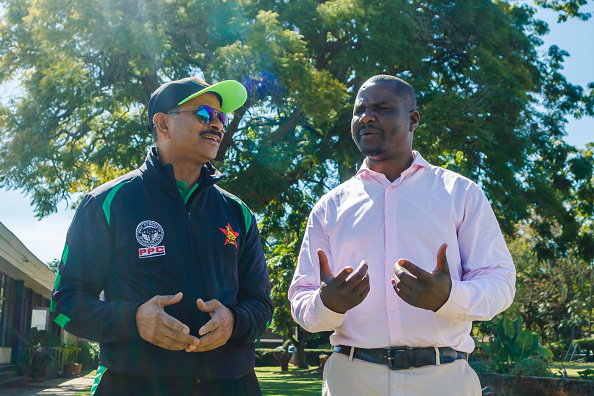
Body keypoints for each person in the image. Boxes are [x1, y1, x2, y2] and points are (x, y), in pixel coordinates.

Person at [288, 75, 516, 395]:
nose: (366, 116)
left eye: (381, 108)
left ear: (412, 120)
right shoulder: (329, 207)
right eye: (360, 110)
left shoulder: (460, 193)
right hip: (351, 382)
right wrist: (325, 304)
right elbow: (300, 297)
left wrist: (449, 297)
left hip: (444, 381)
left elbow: (501, 282)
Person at [51, 77, 274, 395]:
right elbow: (64, 305)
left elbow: (262, 305)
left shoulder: (238, 212)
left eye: (221, 117)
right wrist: (135, 319)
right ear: (163, 124)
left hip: (234, 385)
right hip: (134, 385)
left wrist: (234, 322)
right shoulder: (106, 203)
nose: (217, 126)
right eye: (203, 114)